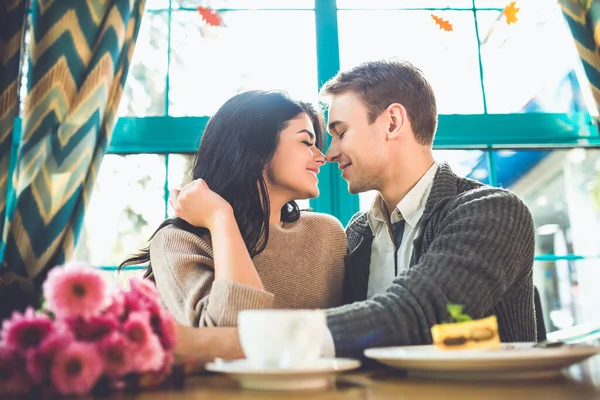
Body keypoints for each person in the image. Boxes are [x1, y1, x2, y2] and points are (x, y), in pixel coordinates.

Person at [170, 59, 537, 359]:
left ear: (392, 122)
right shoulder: (359, 233)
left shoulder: (493, 212)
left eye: (340, 132)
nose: (329, 154)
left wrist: (216, 344)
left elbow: (417, 313)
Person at [120, 90, 347, 328]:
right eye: (306, 142)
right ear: (257, 151)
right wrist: (220, 218)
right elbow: (229, 338)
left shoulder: (327, 233)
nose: (322, 157)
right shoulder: (179, 241)